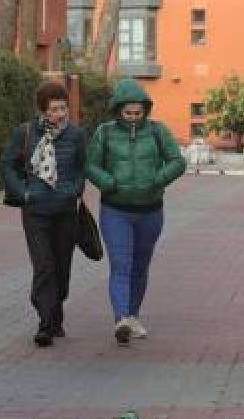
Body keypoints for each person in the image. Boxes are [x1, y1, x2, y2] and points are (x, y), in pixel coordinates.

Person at [86, 78, 185, 345]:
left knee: (140, 266)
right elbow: (90, 165)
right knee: (121, 265)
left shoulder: (157, 132)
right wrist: (108, 183)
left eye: (137, 113)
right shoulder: (104, 133)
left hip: (150, 211)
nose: (132, 118)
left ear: (145, 110)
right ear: (118, 110)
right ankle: (121, 319)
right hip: (115, 210)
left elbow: (178, 161)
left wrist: (158, 179)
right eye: (127, 113)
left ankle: (133, 315)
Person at [0, 81, 89, 347]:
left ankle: (55, 312)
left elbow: (83, 167)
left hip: (65, 212)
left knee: (61, 268)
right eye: (53, 110)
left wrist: (73, 189)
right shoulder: (25, 133)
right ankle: (45, 323)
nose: (60, 114)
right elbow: (8, 164)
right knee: (44, 266)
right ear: (43, 111)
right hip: (35, 211)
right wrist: (23, 192)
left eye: (63, 108)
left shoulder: (76, 135)